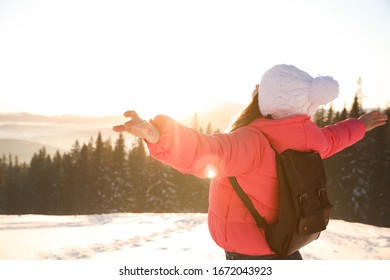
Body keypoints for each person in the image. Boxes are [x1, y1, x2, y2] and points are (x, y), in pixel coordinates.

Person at [113, 64, 388, 260]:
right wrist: (360, 125)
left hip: (249, 251)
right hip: (285, 239)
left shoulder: (252, 142)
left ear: (269, 100)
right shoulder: (311, 138)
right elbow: (334, 137)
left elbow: (207, 150)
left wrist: (159, 136)